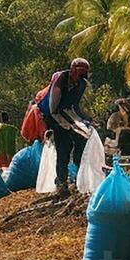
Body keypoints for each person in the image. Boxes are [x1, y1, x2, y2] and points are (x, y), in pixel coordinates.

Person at [37, 58, 95, 198]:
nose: (81, 75)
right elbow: (53, 108)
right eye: (79, 72)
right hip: (54, 116)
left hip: (67, 114)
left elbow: (74, 106)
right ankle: (62, 184)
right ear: (73, 70)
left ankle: (80, 177)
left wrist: (86, 120)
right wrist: (69, 124)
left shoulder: (81, 84)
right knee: (63, 148)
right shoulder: (61, 80)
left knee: (81, 141)